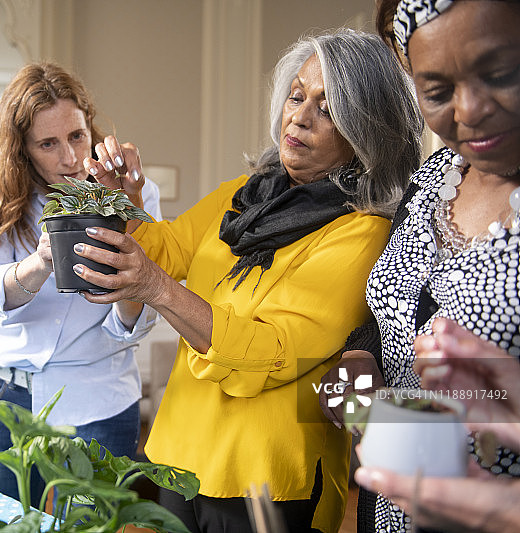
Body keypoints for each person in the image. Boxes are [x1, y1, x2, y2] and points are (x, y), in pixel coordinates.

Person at [73, 29, 422, 533]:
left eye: (327, 108)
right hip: (180, 454)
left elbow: (273, 349)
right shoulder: (243, 193)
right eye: (297, 95)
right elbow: (165, 249)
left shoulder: (364, 231)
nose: (299, 115)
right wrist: (118, 204)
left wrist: (160, 290)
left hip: (266, 476)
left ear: (364, 130)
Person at [319, 1, 520, 531]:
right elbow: (406, 303)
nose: (470, 109)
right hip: (393, 510)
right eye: (437, 91)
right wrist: (365, 355)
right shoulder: (434, 177)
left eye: (499, 74)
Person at [0, 62, 162, 505]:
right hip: (8, 393)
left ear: (91, 128)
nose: (70, 158)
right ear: (22, 150)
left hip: (99, 398)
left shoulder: (137, 195)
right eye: (48, 143)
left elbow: (139, 320)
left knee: (92, 524)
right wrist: (42, 260)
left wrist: (127, 258)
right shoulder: (4, 200)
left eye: (77, 136)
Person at [352, 317, 520, 532]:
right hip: (395, 480)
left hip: (476, 464)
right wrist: (361, 351)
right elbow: (375, 320)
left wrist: (506, 511)